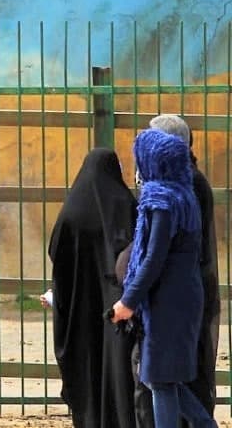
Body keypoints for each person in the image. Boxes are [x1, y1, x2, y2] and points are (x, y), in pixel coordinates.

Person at [111, 129, 216, 428]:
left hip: (167, 303)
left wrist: (128, 301)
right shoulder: (184, 194)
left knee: (158, 379)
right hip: (183, 298)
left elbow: (153, 259)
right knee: (163, 379)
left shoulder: (162, 202)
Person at [47, 147, 138, 428]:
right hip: (118, 312)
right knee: (119, 375)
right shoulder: (126, 204)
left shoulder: (71, 211)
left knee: (85, 367)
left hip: (79, 311)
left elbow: (55, 253)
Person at [148, 114, 219, 421]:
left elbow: (160, 249)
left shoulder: (186, 185)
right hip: (175, 291)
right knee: (163, 378)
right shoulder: (177, 181)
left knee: (162, 377)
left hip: (178, 294)